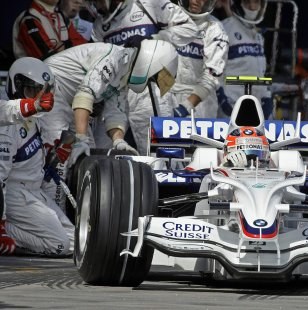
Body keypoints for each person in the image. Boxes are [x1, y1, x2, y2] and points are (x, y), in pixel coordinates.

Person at [37, 39, 178, 211]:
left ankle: (71, 214)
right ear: (151, 62)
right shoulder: (113, 58)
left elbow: (115, 113)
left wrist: (119, 141)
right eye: (153, 76)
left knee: (87, 158)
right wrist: (80, 137)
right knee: (62, 155)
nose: (151, 81)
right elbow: (86, 93)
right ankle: (51, 212)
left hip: (70, 100)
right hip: (50, 90)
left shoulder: (124, 71)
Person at [85, 0, 198, 154]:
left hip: (150, 89)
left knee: (158, 154)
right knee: (102, 152)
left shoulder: (150, 4)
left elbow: (190, 29)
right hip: (115, 93)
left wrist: (153, 39)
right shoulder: (99, 25)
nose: (95, 6)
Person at [0, 57, 74, 256]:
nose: (39, 98)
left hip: (33, 191)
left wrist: (53, 154)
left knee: (76, 242)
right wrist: (1, 224)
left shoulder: (33, 119)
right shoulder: (7, 127)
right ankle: (7, 232)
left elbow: (29, 155)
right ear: (17, 86)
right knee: (59, 246)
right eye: (32, 91)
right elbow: (1, 179)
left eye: (42, 91)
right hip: (15, 194)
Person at [169, 0, 229, 119]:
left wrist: (186, 106)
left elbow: (212, 75)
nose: (195, 1)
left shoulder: (215, 29)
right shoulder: (169, 19)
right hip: (168, 95)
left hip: (200, 103)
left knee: (196, 138)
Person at [216, 0, 272, 119]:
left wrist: (266, 96)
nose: (252, 7)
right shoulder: (223, 29)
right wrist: (221, 98)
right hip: (230, 107)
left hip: (256, 108)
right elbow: (214, 70)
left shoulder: (258, 36)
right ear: (239, 4)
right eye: (247, 3)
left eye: (256, 3)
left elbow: (260, 72)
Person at [12, 0, 88, 60]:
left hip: (63, 75)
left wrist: (67, 45)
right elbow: (45, 57)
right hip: (35, 77)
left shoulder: (61, 17)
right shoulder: (29, 19)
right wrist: (70, 48)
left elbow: (85, 46)